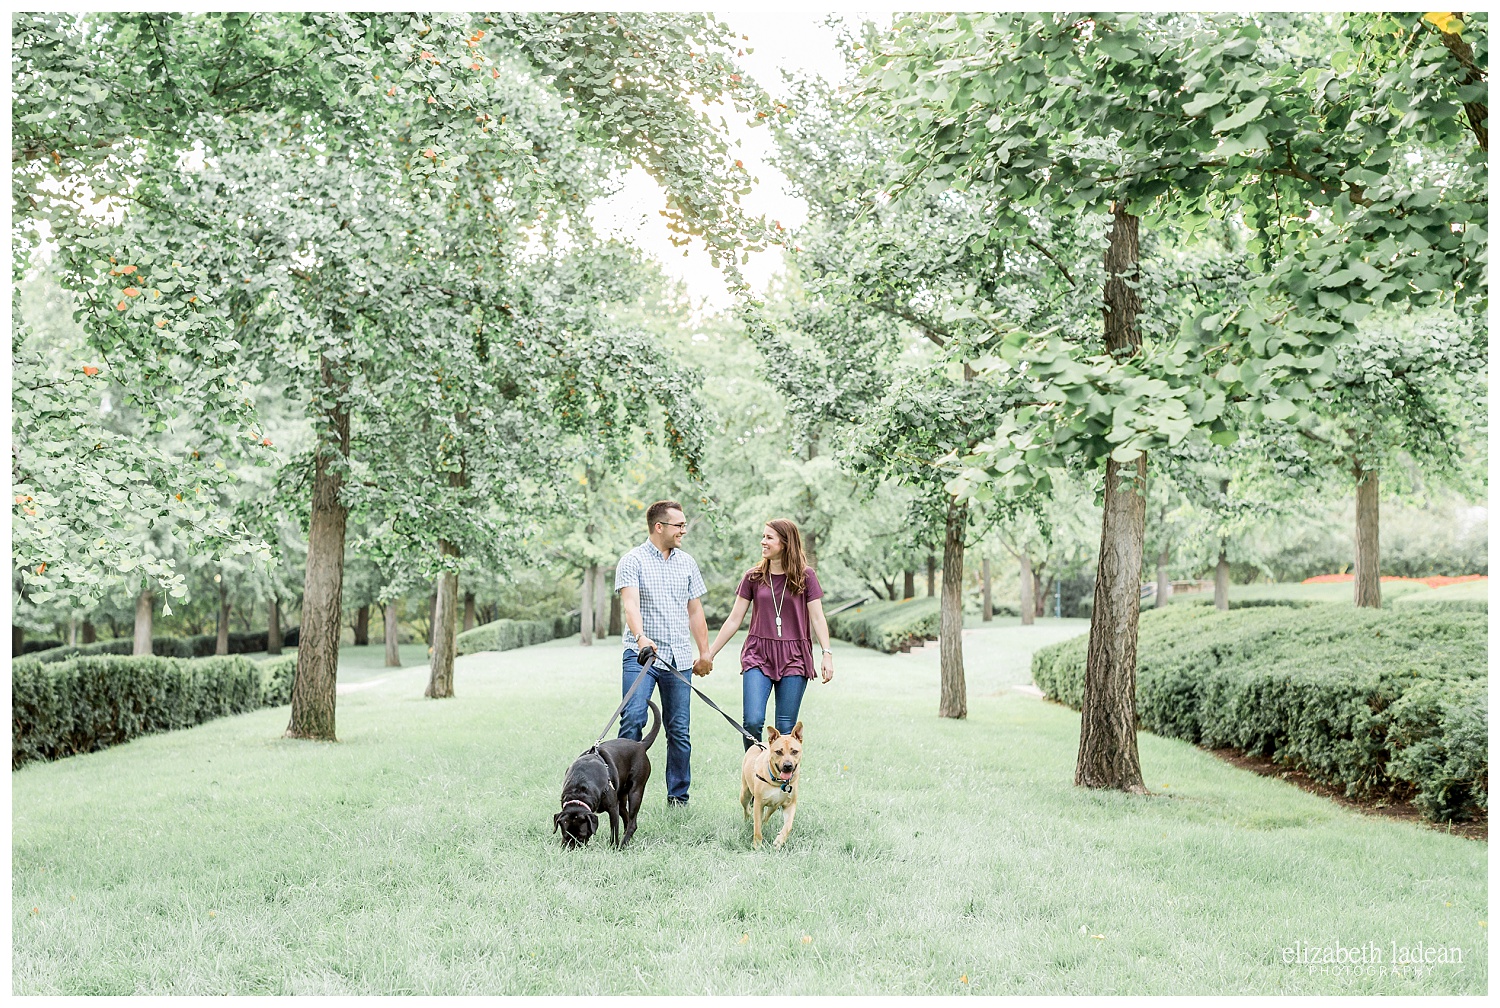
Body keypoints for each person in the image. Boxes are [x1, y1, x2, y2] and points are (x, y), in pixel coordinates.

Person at [615, 499, 712, 807]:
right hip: (641, 655)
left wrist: (705, 652)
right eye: (679, 525)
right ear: (660, 527)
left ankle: (678, 798)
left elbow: (695, 611)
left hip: (679, 659)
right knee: (632, 720)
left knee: (679, 731)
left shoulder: (687, 563)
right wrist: (642, 637)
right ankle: (621, 793)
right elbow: (630, 604)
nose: (683, 530)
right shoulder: (632, 560)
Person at [706, 518, 833, 750]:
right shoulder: (753, 577)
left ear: (785, 543)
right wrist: (710, 653)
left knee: (785, 729)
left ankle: (779, 781)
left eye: (768, 537)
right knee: (752, 721)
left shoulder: (806, 576)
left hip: (794, 654)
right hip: (758, 653)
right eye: (763, 536)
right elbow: (734, 619)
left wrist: (826, 653)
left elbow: (817, 617)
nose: (762, 541)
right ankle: (754, 771)